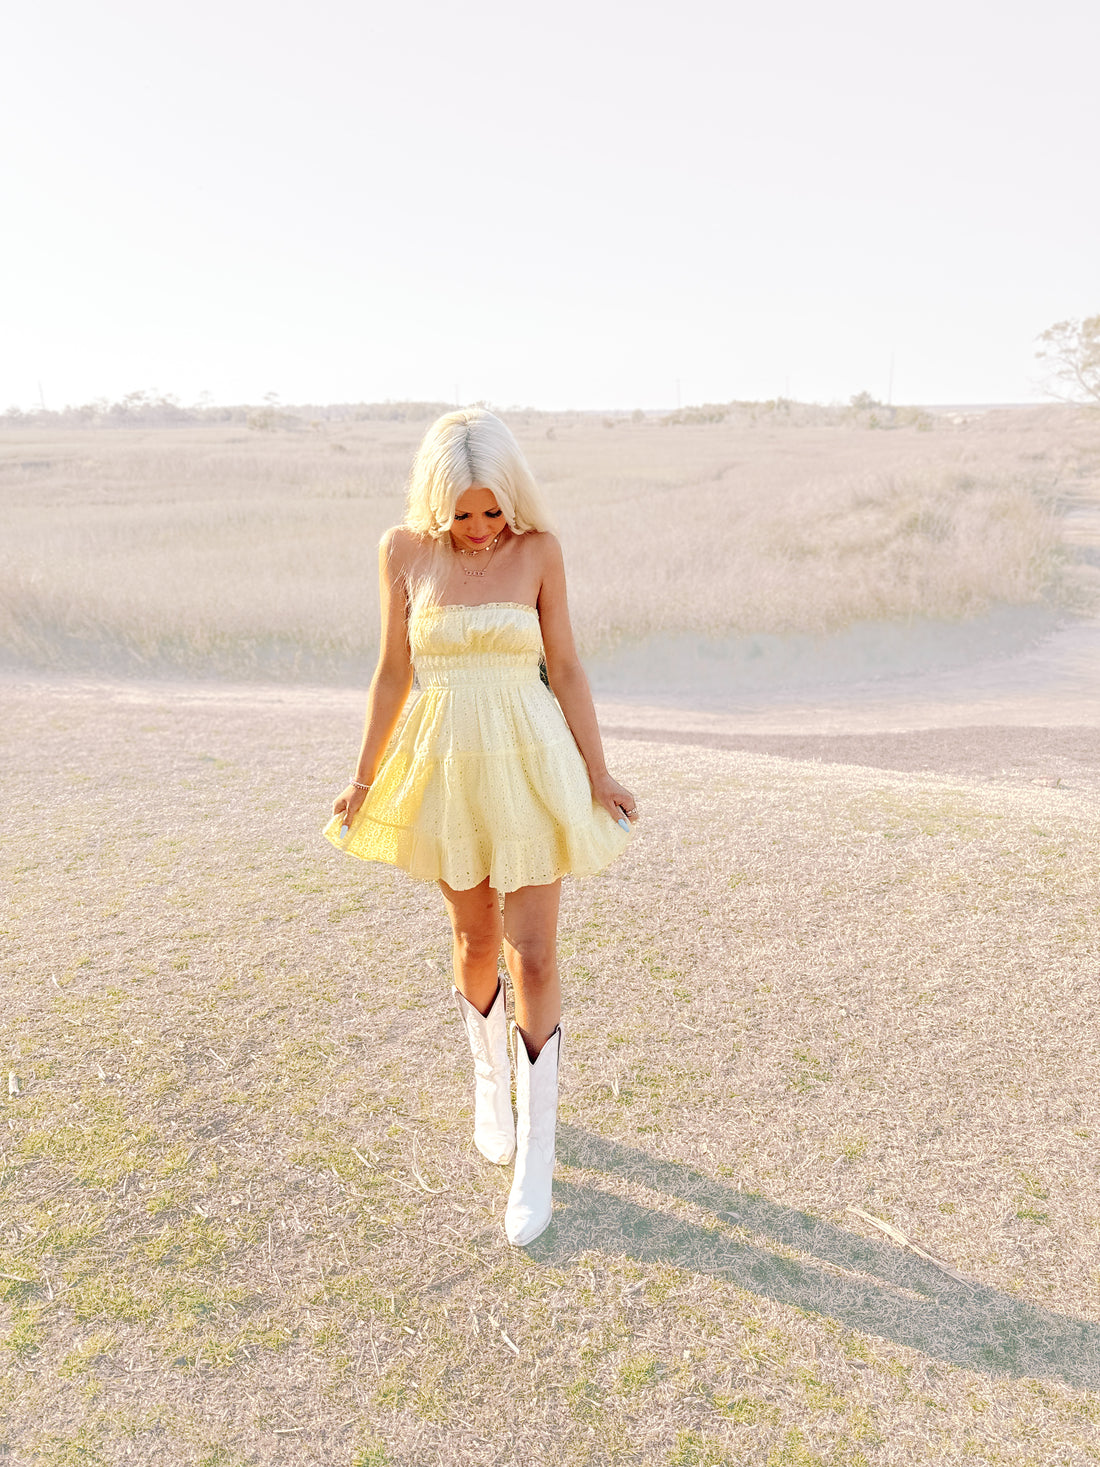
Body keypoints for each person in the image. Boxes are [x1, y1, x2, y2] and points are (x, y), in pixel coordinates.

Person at [323, 408, 637, 1246]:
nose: (478, 528)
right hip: (448, 766)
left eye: (492, 510)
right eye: (462, 513)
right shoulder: (401, 552)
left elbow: (565, 665)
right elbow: (393, 673)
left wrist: (600, 772)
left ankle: (538, 1154)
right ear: (435, 501)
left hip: (532, 761)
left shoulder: (539, 552)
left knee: (534, 950)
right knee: (474, 939)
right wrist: (362, 780)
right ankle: (487, 1083)